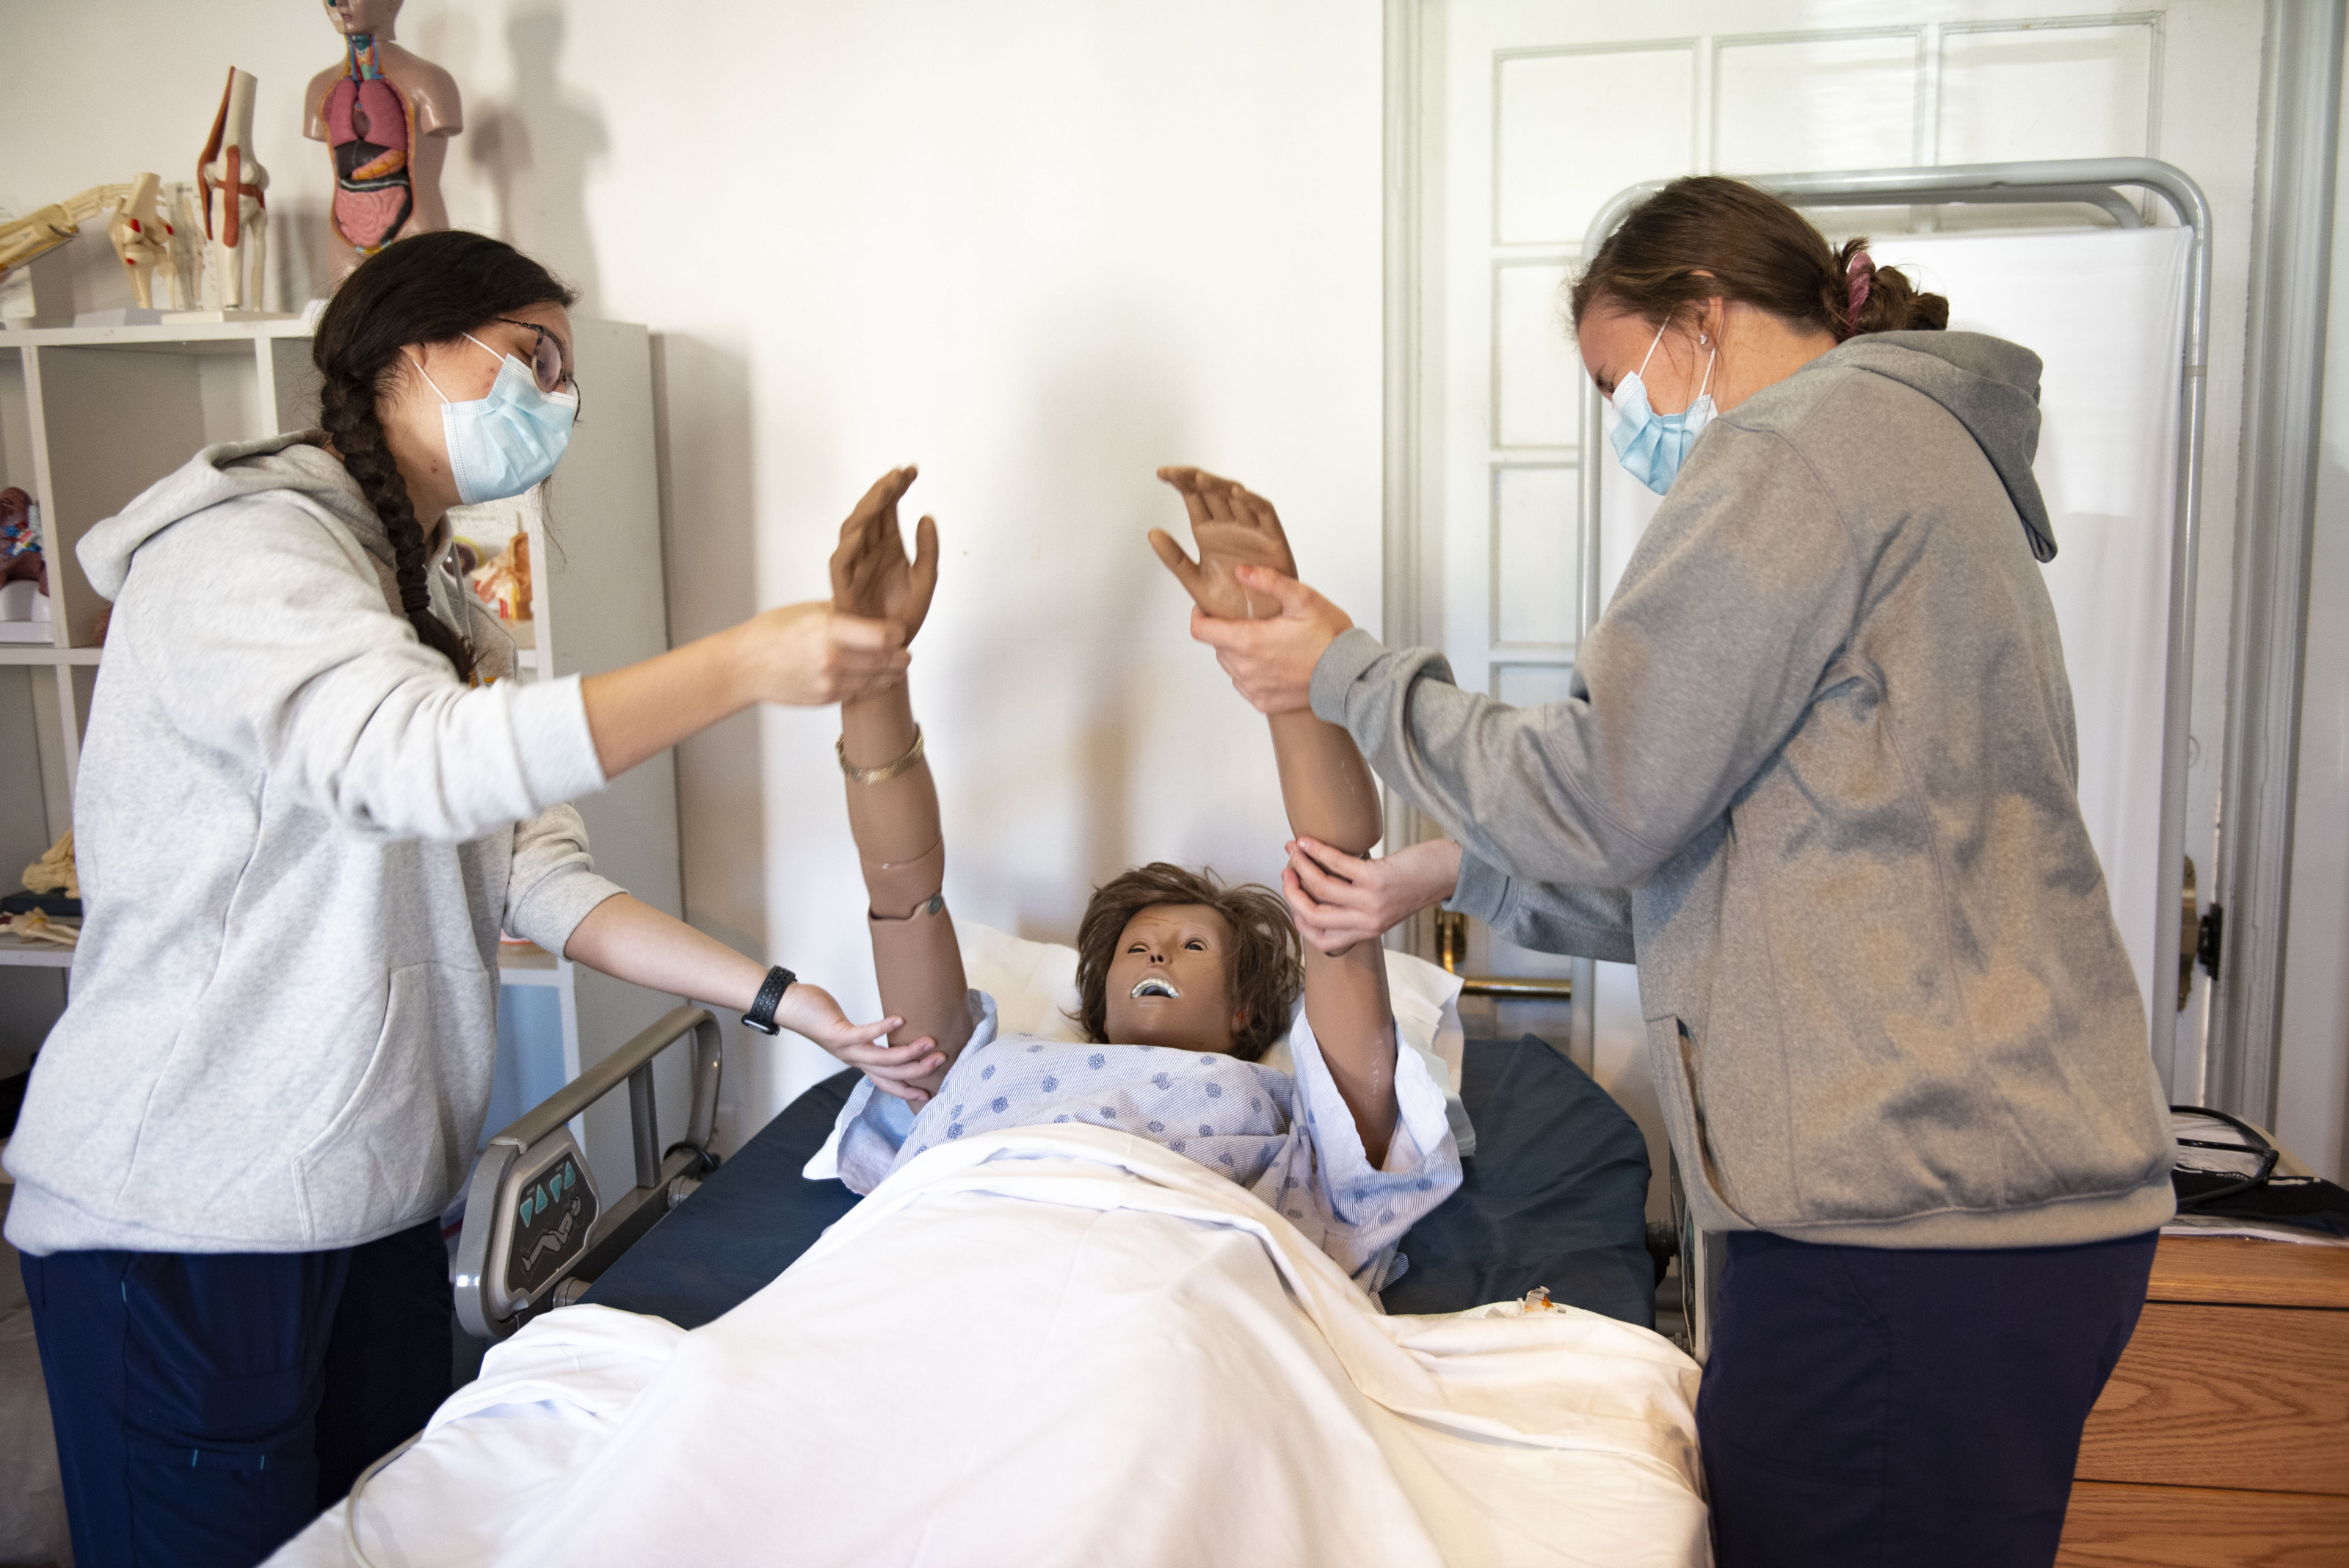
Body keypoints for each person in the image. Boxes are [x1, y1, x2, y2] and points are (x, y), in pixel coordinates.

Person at [1181, 177, 2176, 1567]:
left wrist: (1343, 672)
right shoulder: (1909, 454)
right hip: (1979, 1207)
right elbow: (1756, 864)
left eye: (1616, 378)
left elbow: (1607, 793)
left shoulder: (1802, 451)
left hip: (1910, 1221)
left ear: (1699, 319)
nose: (1625, 429)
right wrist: (1446, 875)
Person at [4, 231, 910, 1568]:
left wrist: (787, 1001)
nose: (555, 398)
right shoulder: (239, 557)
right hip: (190, 1215)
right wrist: (740, 663)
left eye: (566, 373)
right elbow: (409, 766)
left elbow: (536, 874)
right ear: (408, 350)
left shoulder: (438, 606)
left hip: (366, 1197)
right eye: (531, 356)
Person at [808, 465, 1461, 1287]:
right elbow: (902, 891)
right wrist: (871, 680)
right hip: (959, 1268)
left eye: (1190, 946)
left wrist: (1289, 671)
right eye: (1137, 948)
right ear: (1096, 993)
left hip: (1170, 1296)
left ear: (1244, 1012)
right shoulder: (981, 1069)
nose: (1154, 956)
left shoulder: (1290, 1114)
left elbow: (1338, 884)